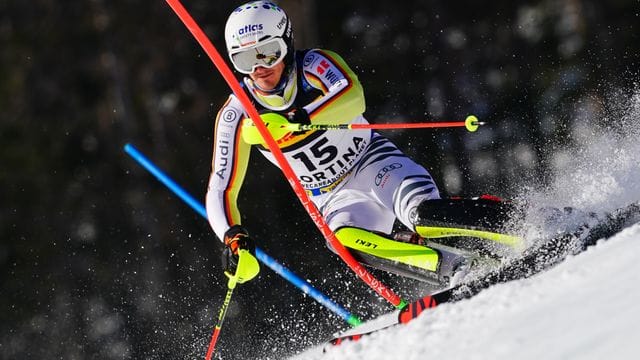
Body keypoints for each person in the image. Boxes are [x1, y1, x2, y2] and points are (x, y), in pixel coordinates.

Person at [205, 1, 511, 287]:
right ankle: (458, 268)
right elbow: (222, 188)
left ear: (286, 43)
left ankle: (518, 222)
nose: (259, 68)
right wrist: (233, 237)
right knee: (344, 242)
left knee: (422, 216)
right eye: (245, 59)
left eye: (268, 53)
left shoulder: (314, 65)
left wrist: (301, 118)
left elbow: (353, 96)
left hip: (372, 162)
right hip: (332, 197)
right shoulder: (237, 114)